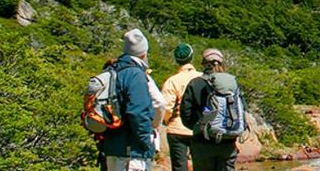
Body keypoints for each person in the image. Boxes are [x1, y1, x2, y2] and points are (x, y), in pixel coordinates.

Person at [102, 29, 155, 171]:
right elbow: (138, 113)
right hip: (132, 151)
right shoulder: (135, 75)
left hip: (112, 147)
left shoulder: (112, 69)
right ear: (143, 52)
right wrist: (147, 143)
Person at [181, 49, 239, 171]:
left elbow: (186, 116)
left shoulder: (195, 83)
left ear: (203, 64)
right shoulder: (232, 85)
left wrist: (199, 126)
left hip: (202, 143)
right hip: (227, 142)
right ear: (222, 63)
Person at [161, 43, 202, 171]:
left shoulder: (172, 81)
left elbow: (166, 107)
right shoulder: (202, 78)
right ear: (192, 58)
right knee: (200, 166)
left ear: (176, 60)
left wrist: (167, 121)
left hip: (176, 128)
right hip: (198, 128)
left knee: (179, 167)